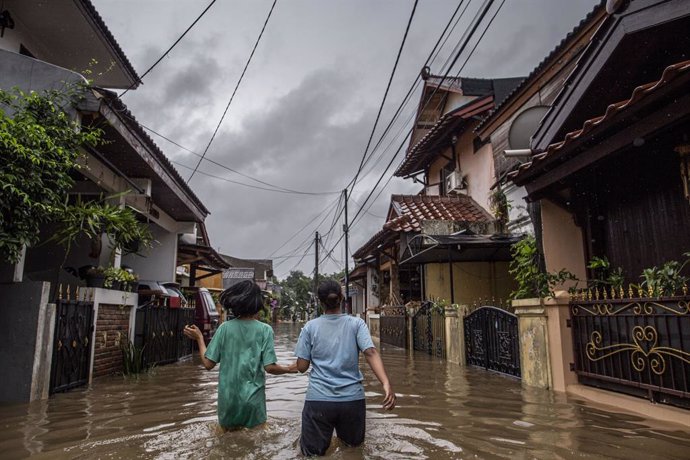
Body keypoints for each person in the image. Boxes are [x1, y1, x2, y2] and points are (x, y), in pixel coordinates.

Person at [294, 279, 396, 456]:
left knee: (311, 455)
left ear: (320, 301)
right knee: (353, 452)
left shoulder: (310, 327)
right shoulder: (356, 324)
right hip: (352, 401)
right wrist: (386, 383)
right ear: (342, 298)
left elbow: (302, 367)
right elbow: (370, 352)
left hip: (319, 401)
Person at [184, 280, 297, 429]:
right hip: (253, 401)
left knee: (225, 444)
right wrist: (290, 368)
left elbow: (208, 364)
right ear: (257, 303)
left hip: (228, 402)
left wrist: (199, 338)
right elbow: (270, 367)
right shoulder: (265, 330)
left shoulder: (224, 328)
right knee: (256, 443)